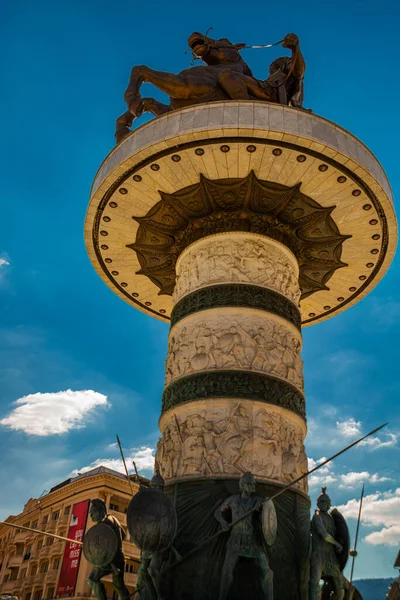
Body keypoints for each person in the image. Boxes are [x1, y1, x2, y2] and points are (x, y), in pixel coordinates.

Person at [214, 472, 273, 600]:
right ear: (243, 485)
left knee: (267, 571)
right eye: (250, 484)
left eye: (253, 484)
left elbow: (268, 510)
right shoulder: (233, 500)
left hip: (253, 539)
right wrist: (223, 522)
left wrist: (263, 508)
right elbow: (218, 511)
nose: (253, 486)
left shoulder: (258, 501)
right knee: (226, 571)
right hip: (236, 538)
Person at [309, 487, 348, 600]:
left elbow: (339, 535)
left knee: (340, 588)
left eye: (326, 502)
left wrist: (341, 547)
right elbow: (324, 535)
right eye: (321, 502)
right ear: (318, 503)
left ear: (329, 504)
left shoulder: (331, 518)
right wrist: (337, 544)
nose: (324, 504)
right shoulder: (317, 517)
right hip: (318, 554)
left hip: (331, 556)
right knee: (314, 583)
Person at [87, 499, 129, 600]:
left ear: (99, 511)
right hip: (119, 557)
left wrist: (90, 546)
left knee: (92, 579)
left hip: (110, 560)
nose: (91, 516)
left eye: (92, 513)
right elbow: (122, 535)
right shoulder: (113, 518)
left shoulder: (103, 524)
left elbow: (101, 545)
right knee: (119, 586)